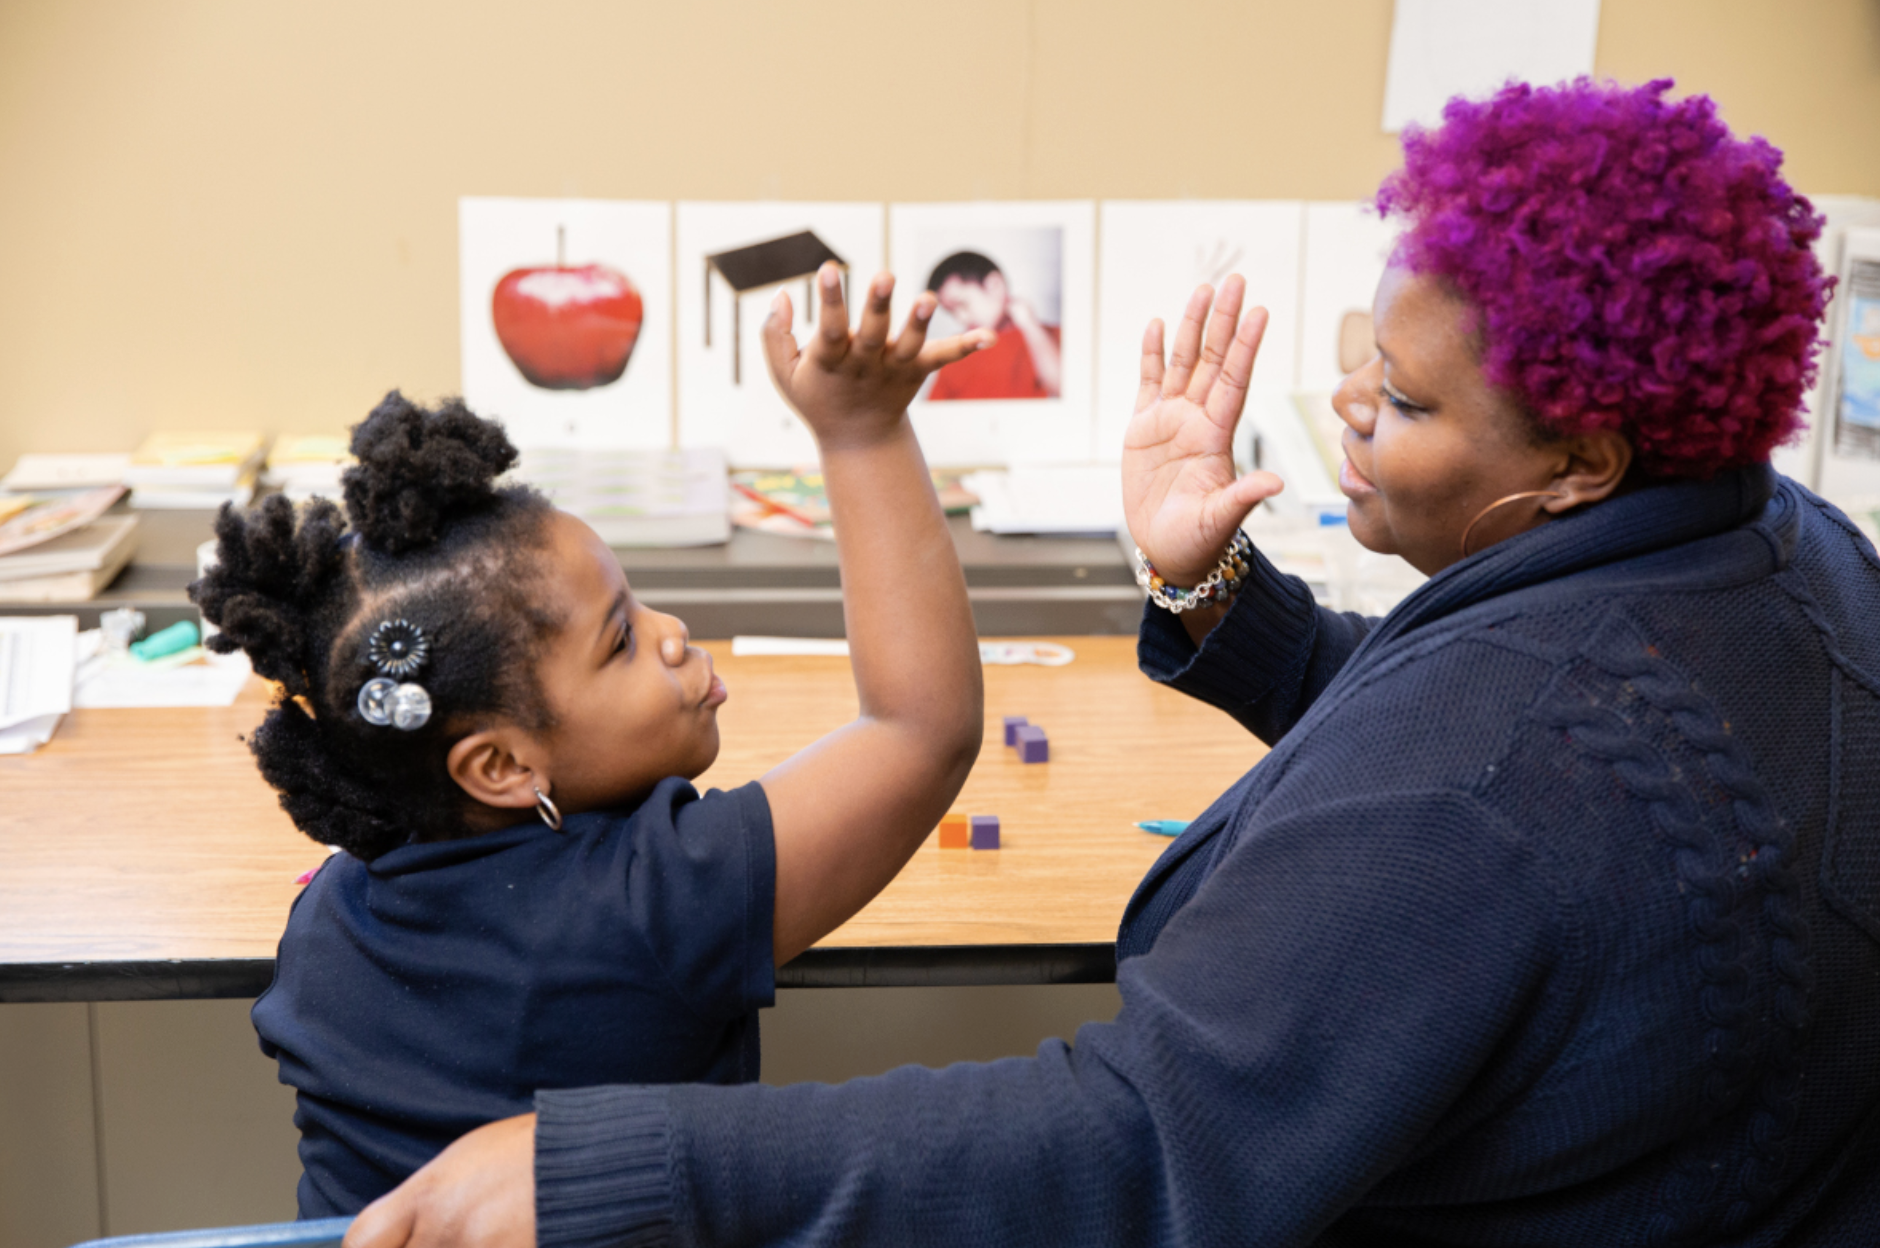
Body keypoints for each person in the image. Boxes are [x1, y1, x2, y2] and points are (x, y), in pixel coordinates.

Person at [344, 79, 1880, 1247]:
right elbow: (1481, 705)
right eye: (1364, 350)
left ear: (1586, 459)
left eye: (1403, 402)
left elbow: (1146, 1138)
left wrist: (618, 1172)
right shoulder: (1785, 548)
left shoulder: (1478, 791)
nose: (1345, 402)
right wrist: (1213, 585)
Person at [192, 265, 992, 1217]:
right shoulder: (660, 898)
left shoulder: (323, 917)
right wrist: (860, 431)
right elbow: (922, 728)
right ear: (499, 766)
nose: (672, 633)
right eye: (619, 640)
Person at [924, 250, 1064, 400]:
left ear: (994, 286)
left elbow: (1064, 389)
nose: (961, 319)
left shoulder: (1049, 335)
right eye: (952, 312)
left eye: (963, 304)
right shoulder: (957, 350)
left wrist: (1030, 324)